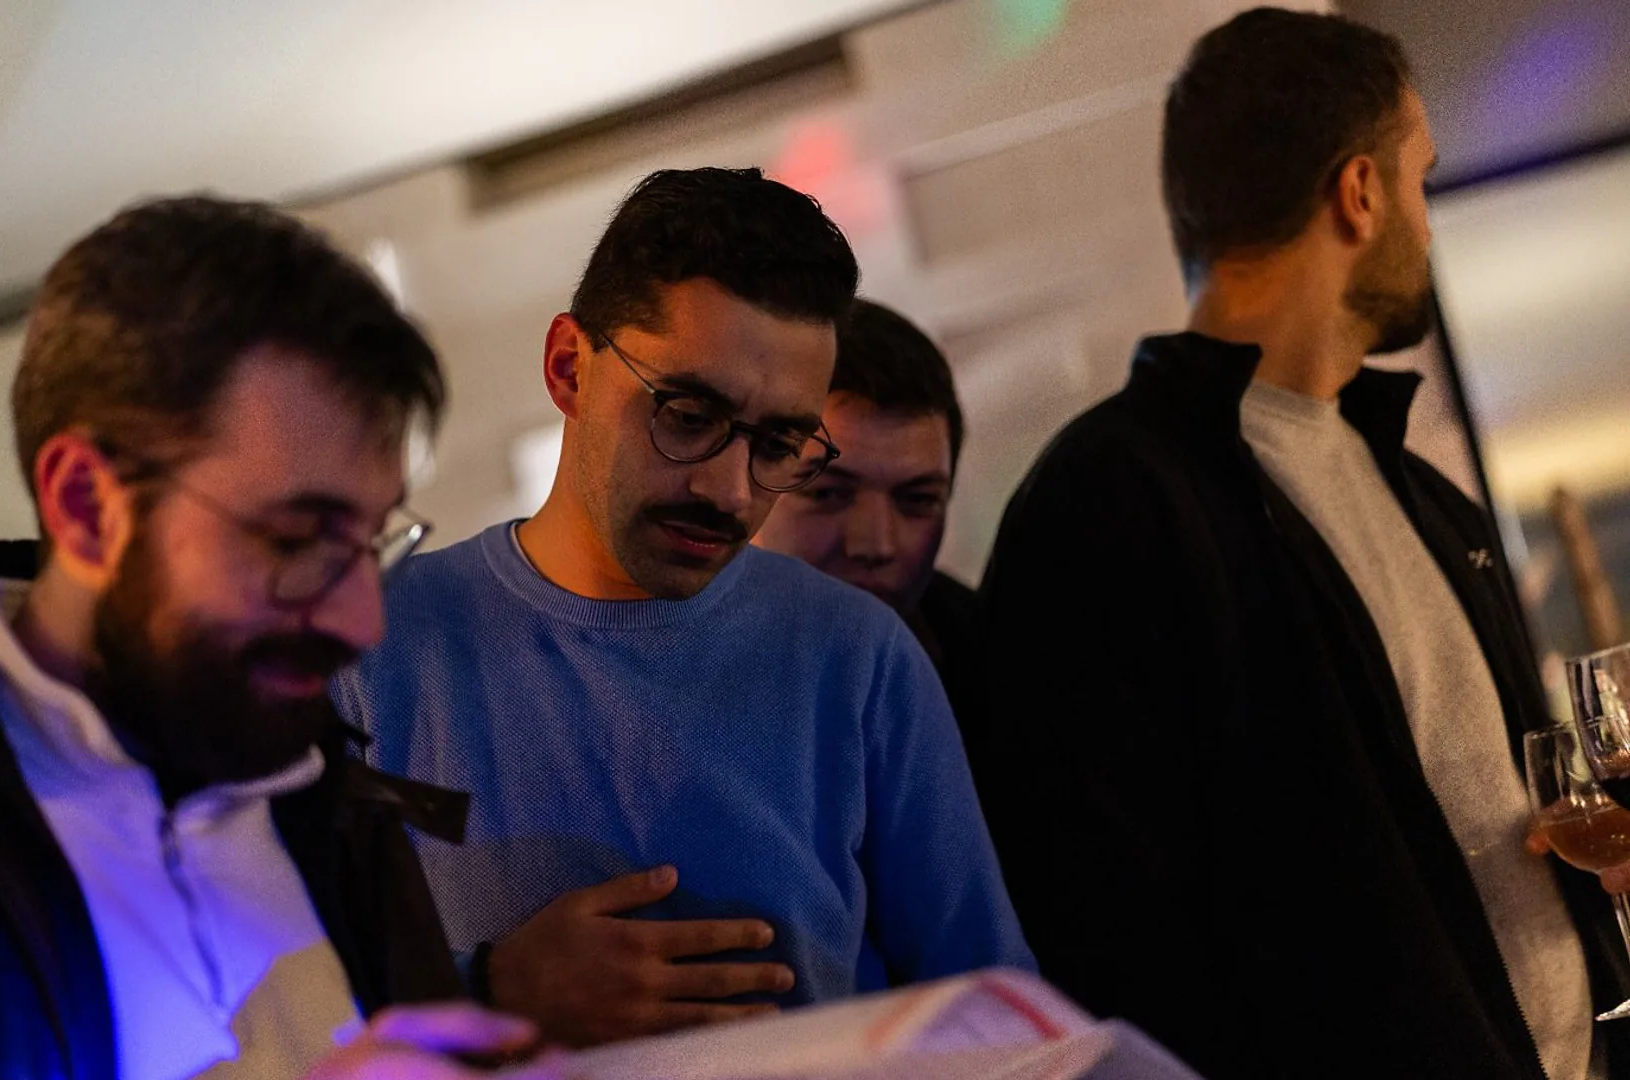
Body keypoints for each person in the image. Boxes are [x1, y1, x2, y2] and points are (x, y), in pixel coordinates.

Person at [0, 196, 533, 1079]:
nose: (362, 621)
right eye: (296, 542)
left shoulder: (333, 801)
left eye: (369, 543)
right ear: (84, 507)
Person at [972, 9, 1627, 1079]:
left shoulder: (1422, 491)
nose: (1426, 216)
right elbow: (1100, 918)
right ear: (1359, 193)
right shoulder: (1110, 497)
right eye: (1420, 179)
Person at [336, 167, 1033, 1049]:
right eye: (689, 415)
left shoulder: (858, 658)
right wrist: (494, 992)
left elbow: (997, 1026)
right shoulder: (371, 651)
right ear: (568, 369)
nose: (729, 492)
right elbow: (260, 1032)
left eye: (780, 443)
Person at [753, 297, 988, 723]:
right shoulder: (652, 680)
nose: (876, 544)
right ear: (746, 483)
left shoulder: (995, 668)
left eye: (917, 500)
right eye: (828, 495)